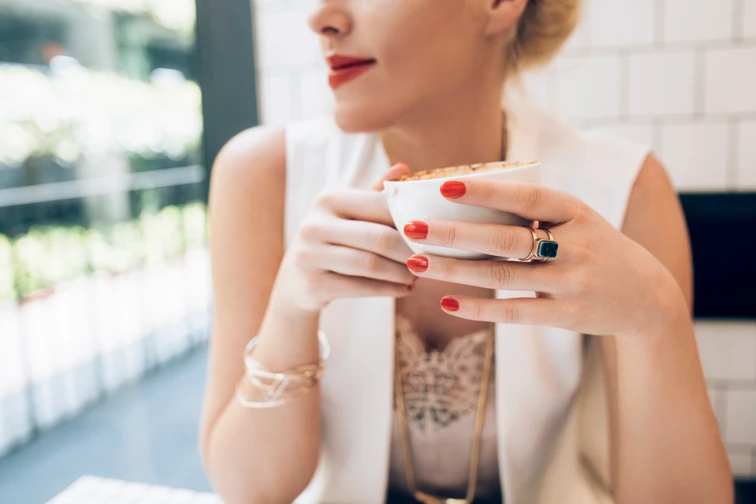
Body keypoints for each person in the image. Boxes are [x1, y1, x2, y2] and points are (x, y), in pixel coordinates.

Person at [199, 0, 732, 502]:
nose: (321, 17)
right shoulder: (264, 176)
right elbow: (252, 490)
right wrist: (292, 310)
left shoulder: (623, 188)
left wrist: (656, 320)